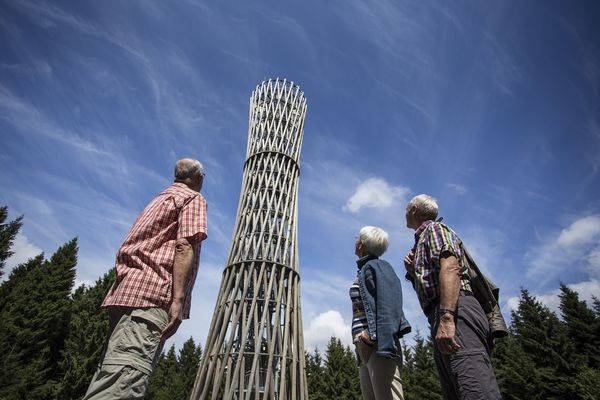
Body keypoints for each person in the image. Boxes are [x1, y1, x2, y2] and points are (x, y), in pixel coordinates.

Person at [83, 158, 208, 400]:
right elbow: (184, 245)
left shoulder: (159, 199)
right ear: (198, 178)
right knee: (125, 381)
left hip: (125, 296)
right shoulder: (192, 198)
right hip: (151, 296)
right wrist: (178, 300)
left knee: (109, 375)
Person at [403, 194, 501, 400]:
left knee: (474, 387)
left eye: (406, 210)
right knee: (457, 390)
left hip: (456, 311)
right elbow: (431, 283)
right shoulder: (421, 241)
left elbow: (450, 268)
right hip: (443, 313)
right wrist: (412, 272)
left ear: (414, 211)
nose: (404, 214)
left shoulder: (434, 229)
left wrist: (447, 317)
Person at [350, 226, 411, 400]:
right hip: (363, 345)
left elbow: (389, 305)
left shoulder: (378, 266)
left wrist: (373, 336)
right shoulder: (364, 270)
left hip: (377, 343)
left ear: (362, 244)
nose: (355, 241)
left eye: (357, 238)